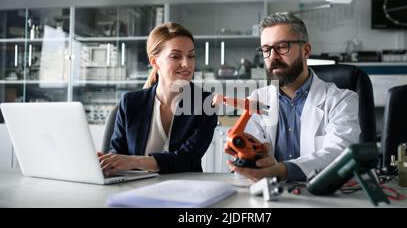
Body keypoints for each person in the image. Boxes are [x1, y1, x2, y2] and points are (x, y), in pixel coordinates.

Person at [226, 12, 360, 182]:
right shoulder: (257, 99)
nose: (272, 57)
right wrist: (249, 157)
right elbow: (254, 157)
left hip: (324, 197)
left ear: (306, 50)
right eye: (266, 50)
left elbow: (341, 153)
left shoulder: (341, 100)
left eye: (282, 47)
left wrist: (281, 170)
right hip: (273, 197)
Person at [99, 22, 217, 176]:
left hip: (185, 190)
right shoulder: (130, 103)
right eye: (176, 56)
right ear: (154, 62)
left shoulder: (205, 102)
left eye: (191, 56)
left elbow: (187, 158)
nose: (186, 64)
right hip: (135, 190)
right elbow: (117, 156)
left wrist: (135, 161)